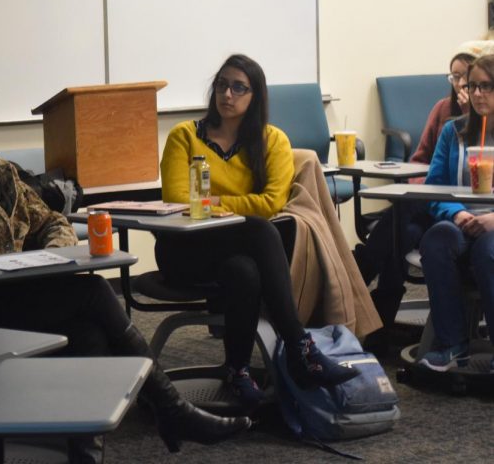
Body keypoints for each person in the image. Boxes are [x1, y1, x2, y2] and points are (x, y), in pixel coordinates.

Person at [0, 61, 250, 455]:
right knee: (91, 292)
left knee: (90, 334)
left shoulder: (1, 172)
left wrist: (50, 256)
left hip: (12, 296)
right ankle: (171, 408)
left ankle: (86, 452)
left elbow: (53, 221)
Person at [156, 54, 360, 408]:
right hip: (185, 247)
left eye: (238, 87)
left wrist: (213, 201)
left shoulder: (272, 141)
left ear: (255, 95)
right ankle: (300, 348)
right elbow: (178, 200)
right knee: (261, 232)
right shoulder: (184, 136)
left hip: (235, 251)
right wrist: (227, 203)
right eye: (222, 85)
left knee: (245, 269)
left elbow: (270, 203)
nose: (228, 94)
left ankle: (237, 372)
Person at [356, 42, 489, 347]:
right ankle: (381, 316)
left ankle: (366, 282)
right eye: (454, 78)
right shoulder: (444, 113)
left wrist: (474, 110)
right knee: (407, 215)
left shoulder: (477, 116)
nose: (459, 85)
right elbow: (420, 161)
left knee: (403, 226)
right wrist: (422, 188)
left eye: (464, 78)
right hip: (434, 198)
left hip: (453, 210)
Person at [417, 54, 494, 373]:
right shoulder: (454, 132)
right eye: (473, 86)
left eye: (487, 86)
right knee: (437, 240)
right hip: (461, 220)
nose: (477, 94)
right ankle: (451, 344)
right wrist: (458, 214)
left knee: (487, 251)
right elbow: (434, 187)